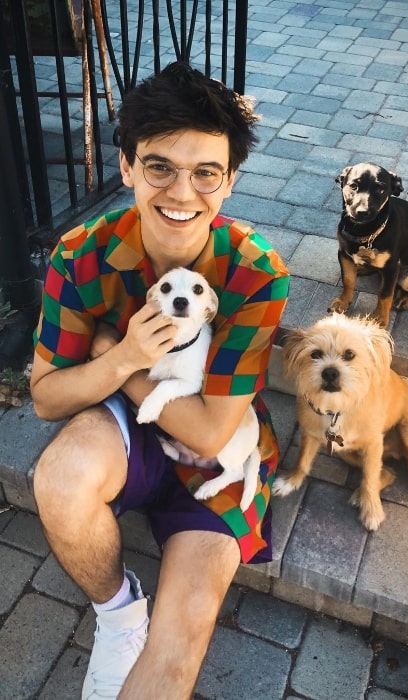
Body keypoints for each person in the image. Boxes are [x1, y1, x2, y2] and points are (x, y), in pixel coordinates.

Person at [30, 61, 289, 699]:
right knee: (59, 479)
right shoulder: (80, 254)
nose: (182, 192)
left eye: (206, 172)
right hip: (125, 424)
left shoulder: (257, 274)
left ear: (229, 181)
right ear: (125, 167)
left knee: (178, 653)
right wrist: (120, 360)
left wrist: (118, 359)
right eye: (159, 167)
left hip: (217, 451)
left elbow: (207, 435)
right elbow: (43, 398)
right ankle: (119, 613)